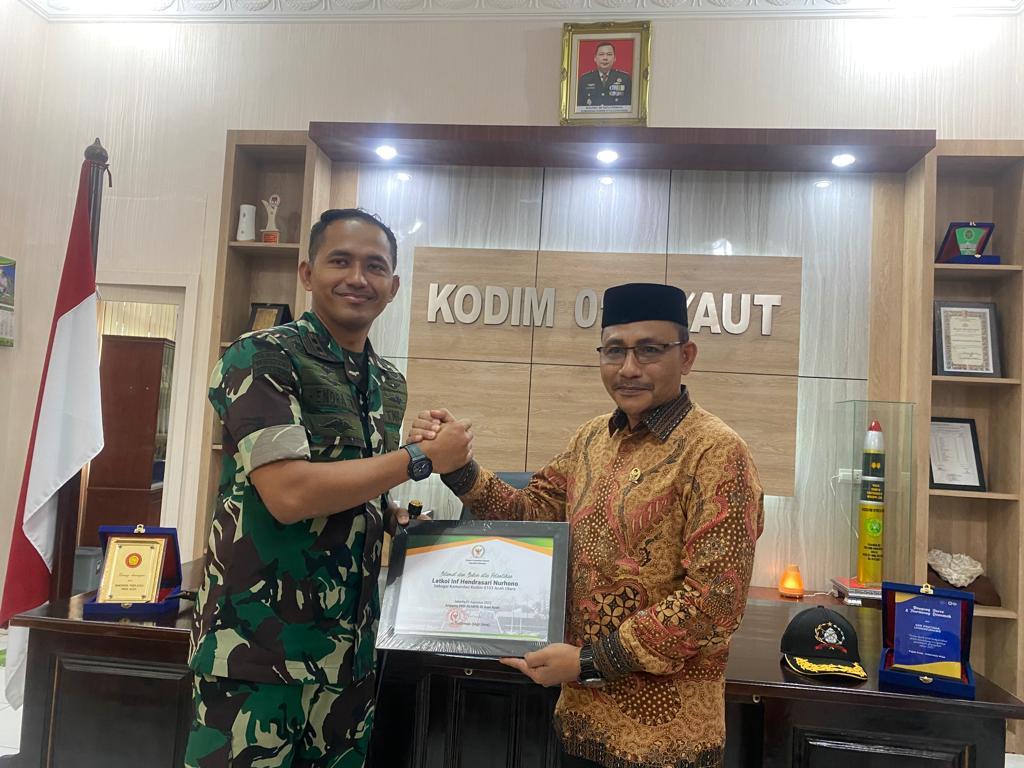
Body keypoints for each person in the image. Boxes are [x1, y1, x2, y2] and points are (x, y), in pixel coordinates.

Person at [409, 283, 764, 768]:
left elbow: (715, 602)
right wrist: (458, 468)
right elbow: (530, 514)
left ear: (687, 356)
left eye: (649, 350)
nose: (629, 368)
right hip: (581, 722)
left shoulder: (717, 452)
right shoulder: (592, 438)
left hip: (667, 740)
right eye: (614, 350)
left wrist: (590, 662)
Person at [185, 208, 472, 768]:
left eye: (375, 266)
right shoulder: (262, 356)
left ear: (393, 287)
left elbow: (352, 484)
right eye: (340, 261)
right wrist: (419, 459)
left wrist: (392, 516)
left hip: (348, 658)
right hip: (256, 654)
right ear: (307, 272)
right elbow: (289, 494)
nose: (357, 278)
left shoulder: (387, 382)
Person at [576, 41, 632, 109]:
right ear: (595, 58)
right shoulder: (584, 79)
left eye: (609, 54)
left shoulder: (625, 79)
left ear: (614, 58)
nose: (605, 58)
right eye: (601, 54)